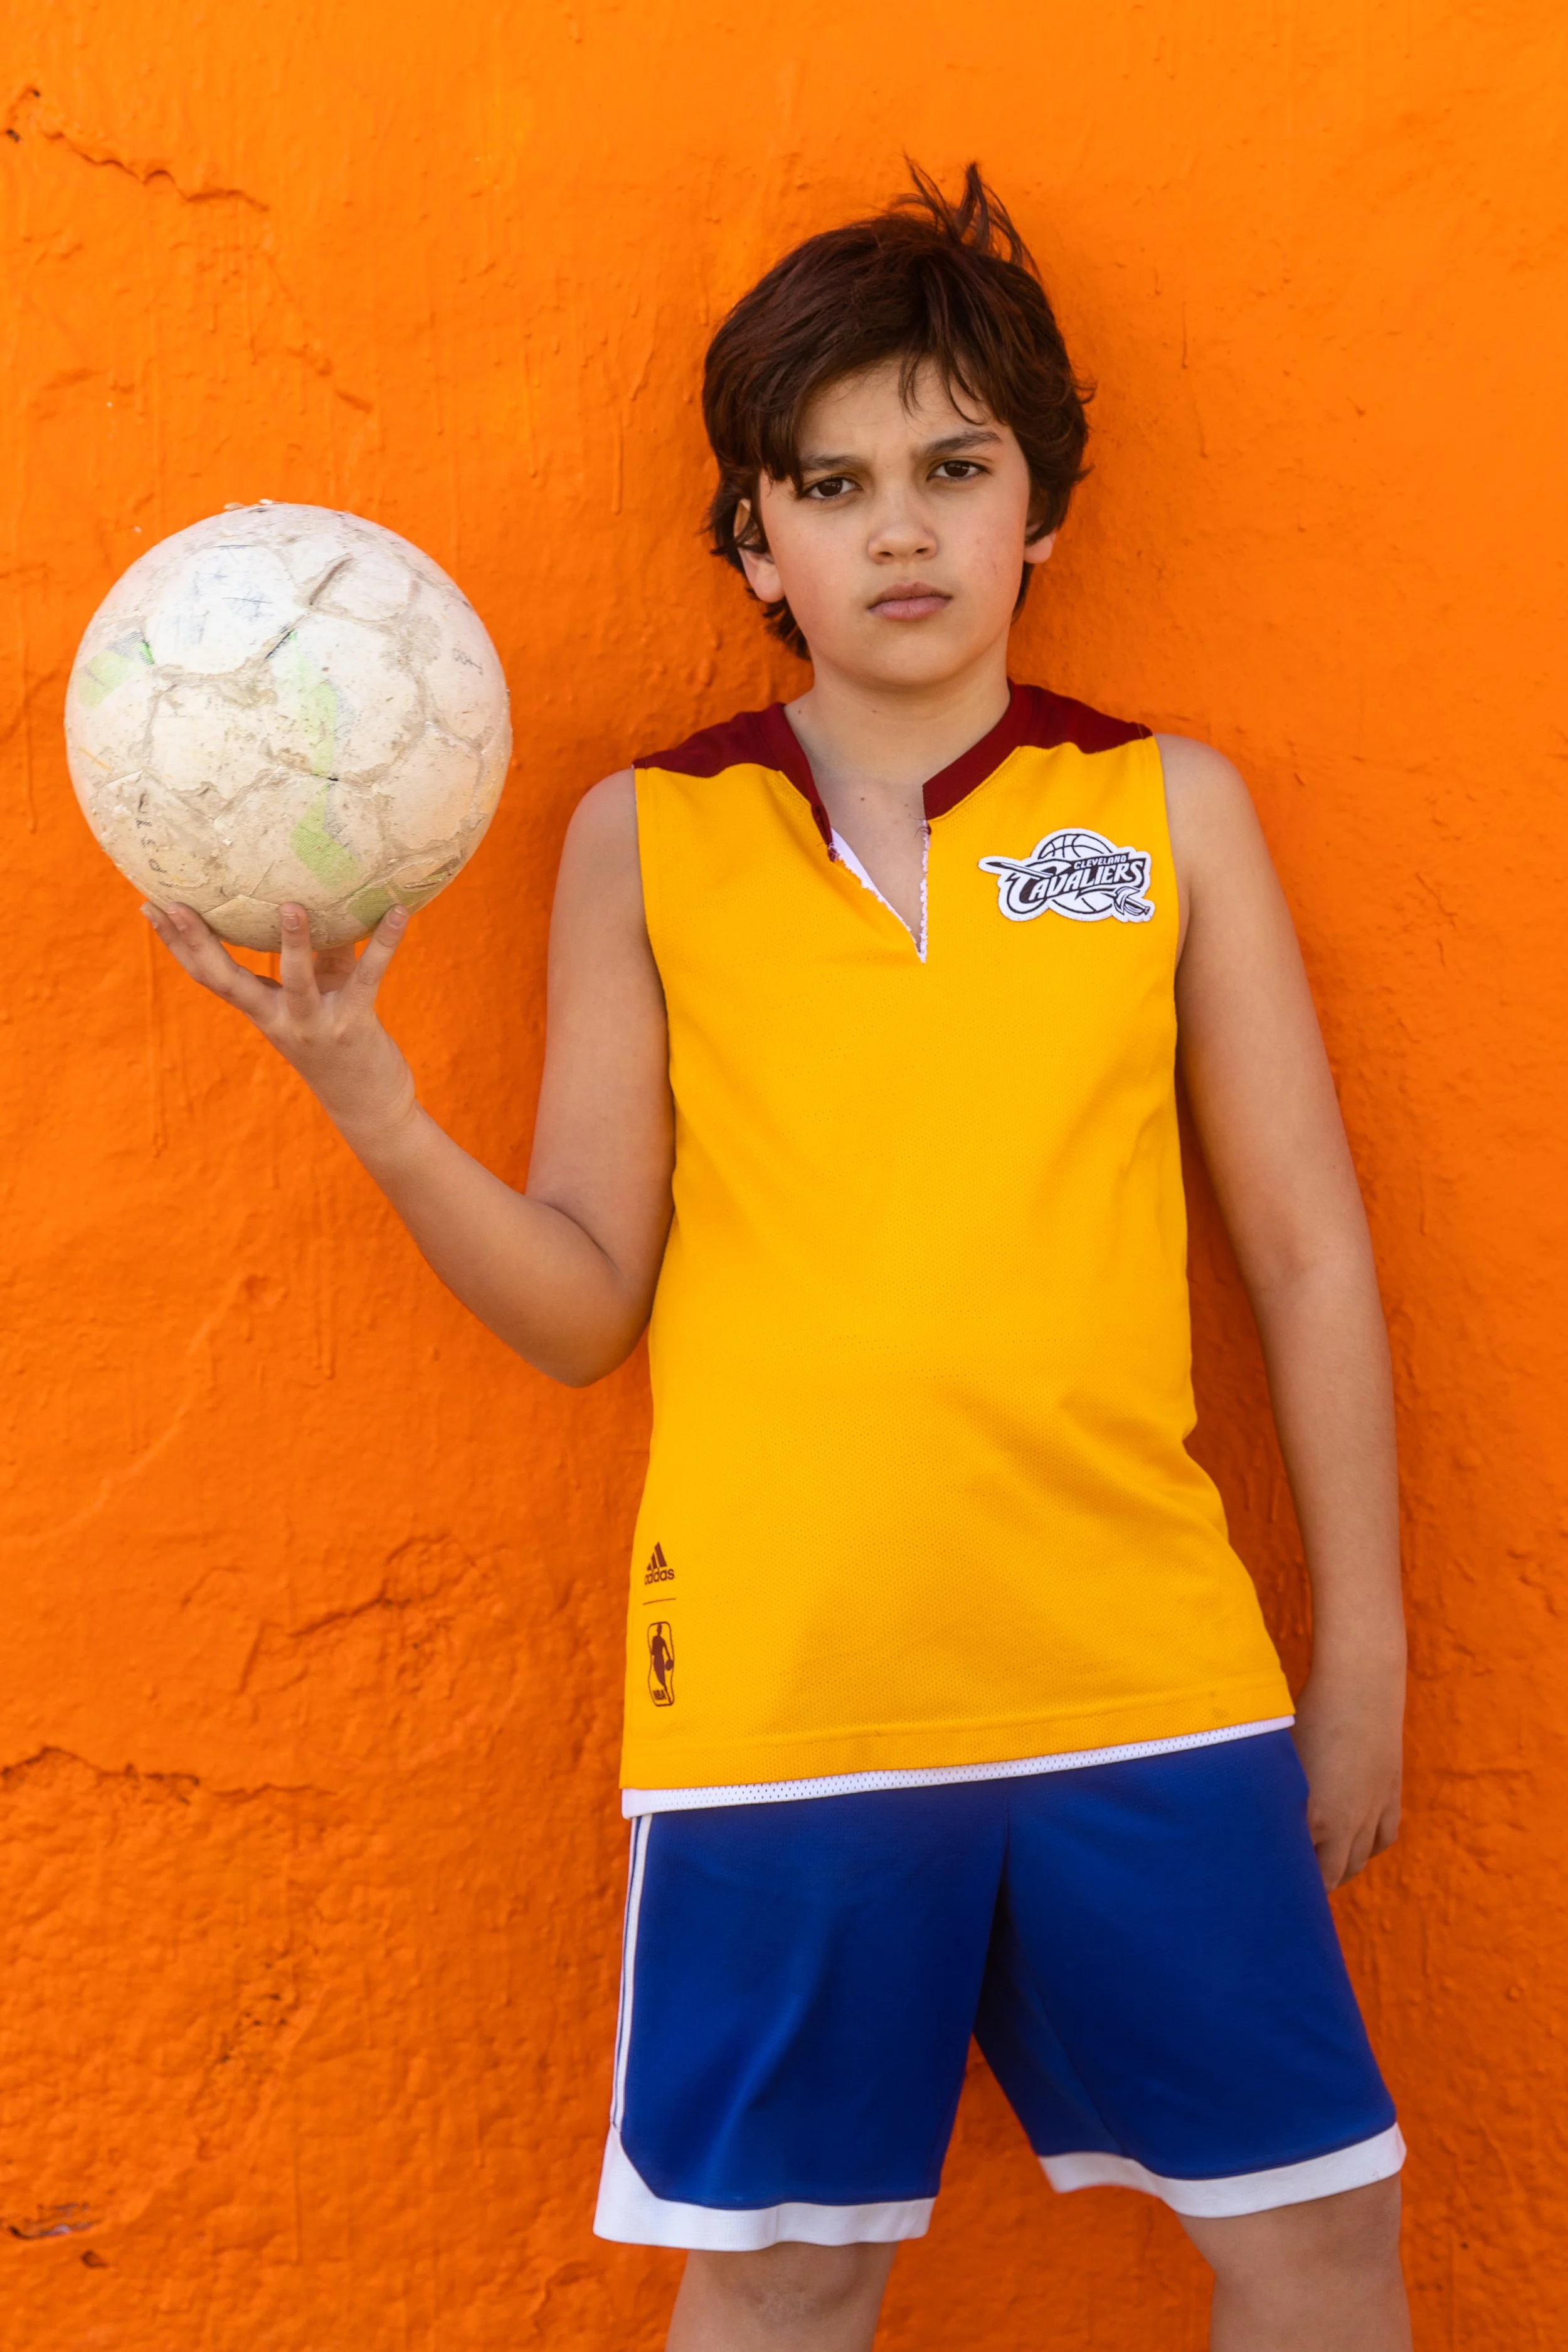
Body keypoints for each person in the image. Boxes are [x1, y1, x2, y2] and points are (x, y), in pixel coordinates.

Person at [144, 166, 1410, 2351]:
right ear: (753, 541)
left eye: (951, 468)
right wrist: (368, 1097)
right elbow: (581, 1308)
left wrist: (1364, 1645)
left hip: (1148, 1672)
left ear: (1041, 512)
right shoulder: (646, 838)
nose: (897, 528)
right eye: (829, 483)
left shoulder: (1163, 808)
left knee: (1309, 2243)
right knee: (793, 2270)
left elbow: (1303, 1251)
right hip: (786, 1700)